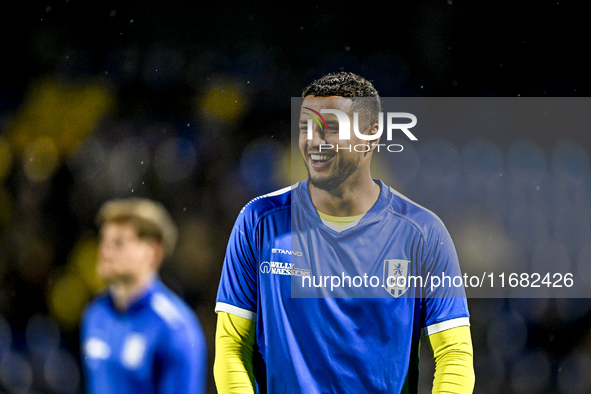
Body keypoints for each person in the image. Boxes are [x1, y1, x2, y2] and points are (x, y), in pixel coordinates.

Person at [214, 72, 474, 393]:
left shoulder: (422, 232)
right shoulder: (259, 221)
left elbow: (454, 354)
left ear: (371, 135)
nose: (313, 140)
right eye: (305, 127)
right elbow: (231, 346)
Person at [81, 198, 207, 394]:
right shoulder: (95, 314)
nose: (106, 250)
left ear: (153, 252)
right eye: (104, 240)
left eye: (119, 242)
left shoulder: (175, 328)